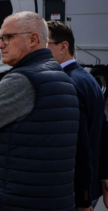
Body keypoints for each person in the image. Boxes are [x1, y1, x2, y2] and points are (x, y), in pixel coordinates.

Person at [0, 12, 79, 211]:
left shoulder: (23, 80)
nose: (0, 45)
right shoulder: (61, 76)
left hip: (19, 201)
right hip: (55, 199)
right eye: (0, 38)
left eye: (8, 37)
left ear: (33, 39)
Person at [47, 20, 106, 210]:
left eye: (45, 44)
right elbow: (103, 130)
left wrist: (83, 197)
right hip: (90, 184)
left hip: (75, 191)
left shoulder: (67, 84)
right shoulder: (87, 78)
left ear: (64, 46)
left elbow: (80, 145)